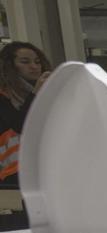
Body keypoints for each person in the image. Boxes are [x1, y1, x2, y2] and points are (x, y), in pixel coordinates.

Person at [0, 42, 53, 185]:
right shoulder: (3, 97)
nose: (34, 66)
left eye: (37, 62)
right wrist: (35, 93)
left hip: (45, 167)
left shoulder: (44, 94)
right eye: (25, 62)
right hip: (14, 173)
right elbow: (21, 124)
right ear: (10, 66)